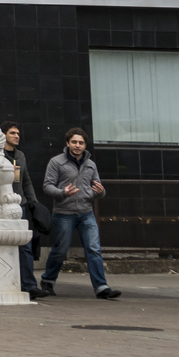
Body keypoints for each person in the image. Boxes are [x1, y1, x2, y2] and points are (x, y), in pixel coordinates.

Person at [40, 128, 119, 300]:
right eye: (74, 142)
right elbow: (47, 186)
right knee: (60, 250)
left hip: (86, 213)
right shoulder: (56, 162)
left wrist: (101, 192)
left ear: (85, 145)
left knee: (93, 249)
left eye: (81, 143)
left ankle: (101, 287)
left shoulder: (91, 164)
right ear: (67, 143)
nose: (77, 145)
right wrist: (63, 193)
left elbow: (98, 189)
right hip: (63, 214)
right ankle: (47, 281)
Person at [5, 124, 47, 300]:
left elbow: (26, 181)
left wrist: (33, 203)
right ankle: (9, 282)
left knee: (25, 246)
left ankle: (30, 285)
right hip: (2, 207)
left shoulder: (20, 155)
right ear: (3, 135)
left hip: (20, 206)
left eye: (18, 133)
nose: (16, 136)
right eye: (12, 133)